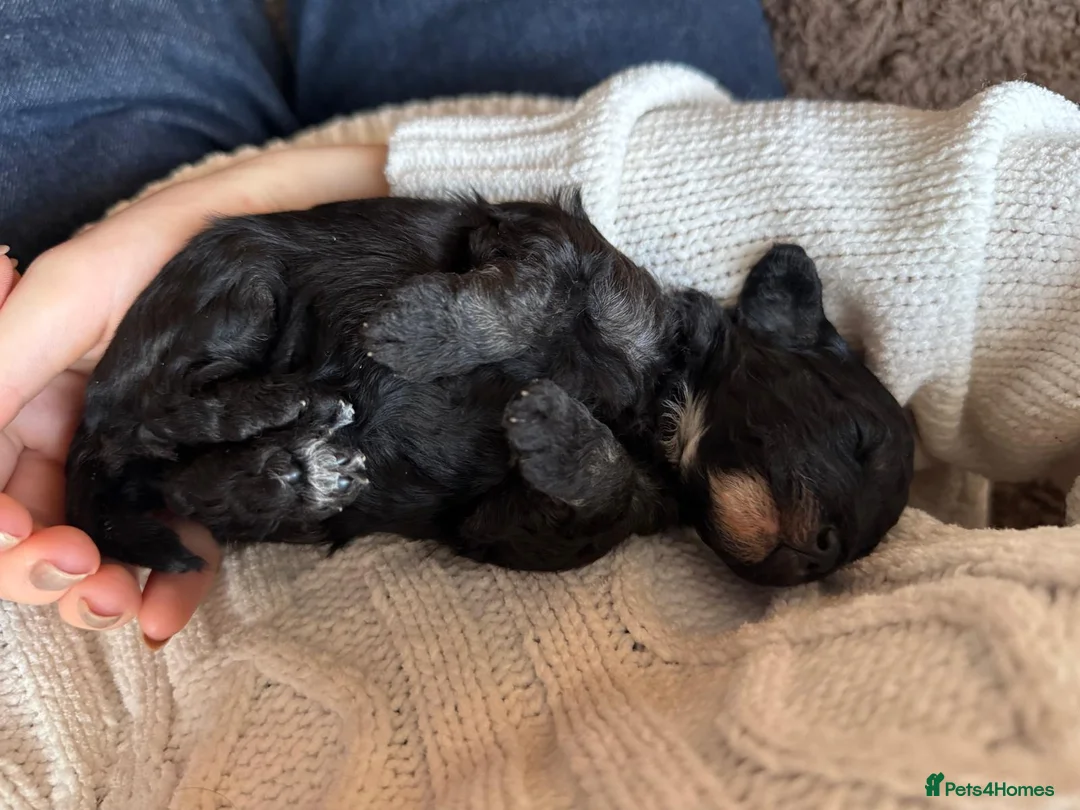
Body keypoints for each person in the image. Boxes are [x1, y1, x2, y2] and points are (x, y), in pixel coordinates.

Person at [0, 0, 787, 643]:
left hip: (202, 277)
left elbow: (495, 533)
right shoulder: (672, 330)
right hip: (552, 118)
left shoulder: (651, 499)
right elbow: (565, 245)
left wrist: (598, 492)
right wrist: (480, 320)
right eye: (861, 446)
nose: (825, 548)